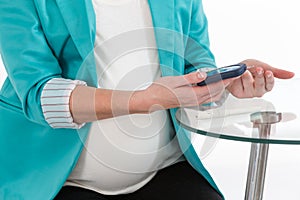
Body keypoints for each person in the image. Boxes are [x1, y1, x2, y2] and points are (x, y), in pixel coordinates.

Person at [0, 0, 294, 200]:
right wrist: (142, 100)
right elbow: (39, 94)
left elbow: (193, 69)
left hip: (163, 170)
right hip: (59, 182)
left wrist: (225, 83)